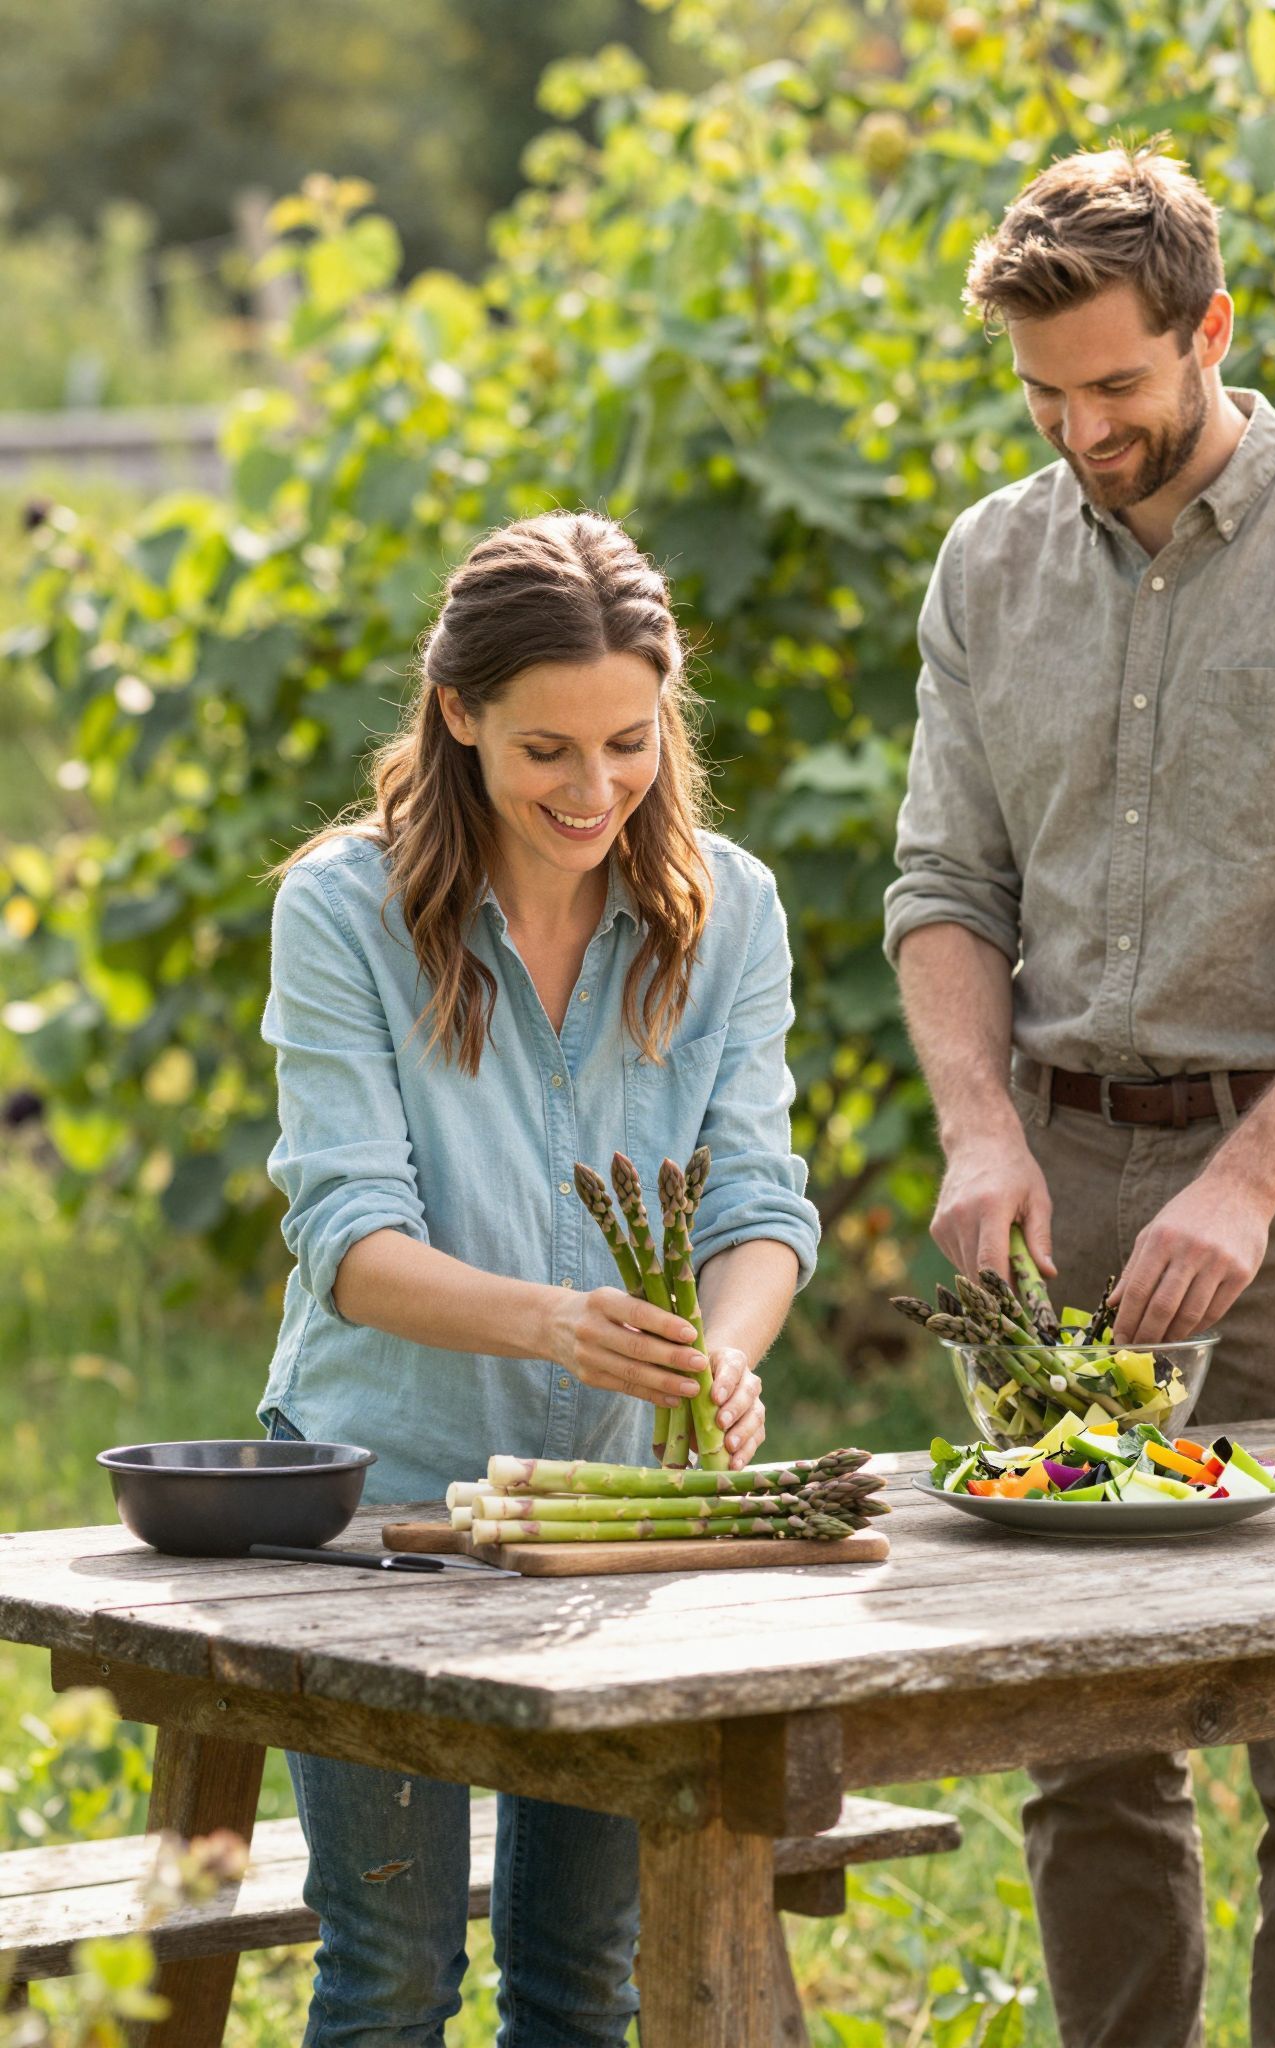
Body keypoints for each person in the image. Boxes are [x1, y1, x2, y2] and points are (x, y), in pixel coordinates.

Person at [884, 142, 1275, 2048]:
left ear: (1212, 332)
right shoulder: (989, 565)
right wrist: (983, 1124)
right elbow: (945, 890)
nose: (1084, 431)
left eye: (1121, 390)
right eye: (1048, 395)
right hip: (1059, 1161)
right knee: (1086, 1723)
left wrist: (1243, 1183)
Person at [257, 509, 820, 2048]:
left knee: (583, 1984)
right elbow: (351, 1247)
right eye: (546, 751)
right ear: (458, 716)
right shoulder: (345, 913)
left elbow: (761, 1202)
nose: (594, 791)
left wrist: (719, 1350)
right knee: (391, 1981)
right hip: (386, 1507)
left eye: (628, 743)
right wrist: (568, 1326)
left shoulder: (731, 911)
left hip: (619, 1523)